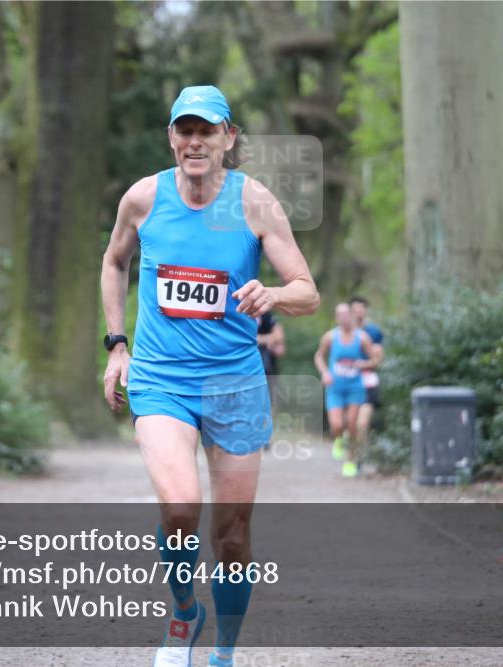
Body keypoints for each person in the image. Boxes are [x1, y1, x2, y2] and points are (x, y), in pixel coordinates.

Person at [100, 84, 319, 667]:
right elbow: (115, 260)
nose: (195, 142)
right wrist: (117, 343)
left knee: (231, 536)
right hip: (161, 377)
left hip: (235, 384)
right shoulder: (143, 199)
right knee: (179, 506)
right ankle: (183, 615)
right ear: (172, 137)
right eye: (185, 130)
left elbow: (308, 291)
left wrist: (271, 292)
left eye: (207, 130)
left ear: (229, 137)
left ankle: (223, 651)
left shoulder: (255, 204)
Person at [313, 302, 381, 477]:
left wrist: (364, 363)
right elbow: (319, 356)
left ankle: (350, 461)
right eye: (339, 314)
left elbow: (376, 359)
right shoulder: (330, 337)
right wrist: (325, 372)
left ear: (351, 316)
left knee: (352, 425)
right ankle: (338, 438)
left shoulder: (362, 337)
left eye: (346, 314)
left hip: (355, 387)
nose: (343, 317)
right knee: (336, 424)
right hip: (335, 386)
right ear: (336, 318)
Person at [350, 296, 385, 446]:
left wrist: (362, 364)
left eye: (361, 308)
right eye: (355, 309)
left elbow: (378, 360)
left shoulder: (374, 333)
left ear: (366, 310)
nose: (358, 311)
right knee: (348, 424)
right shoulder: (340, 333)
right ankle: (350, 450)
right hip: (347, 383)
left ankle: (361, 457)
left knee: (362, 424)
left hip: (367, 382)